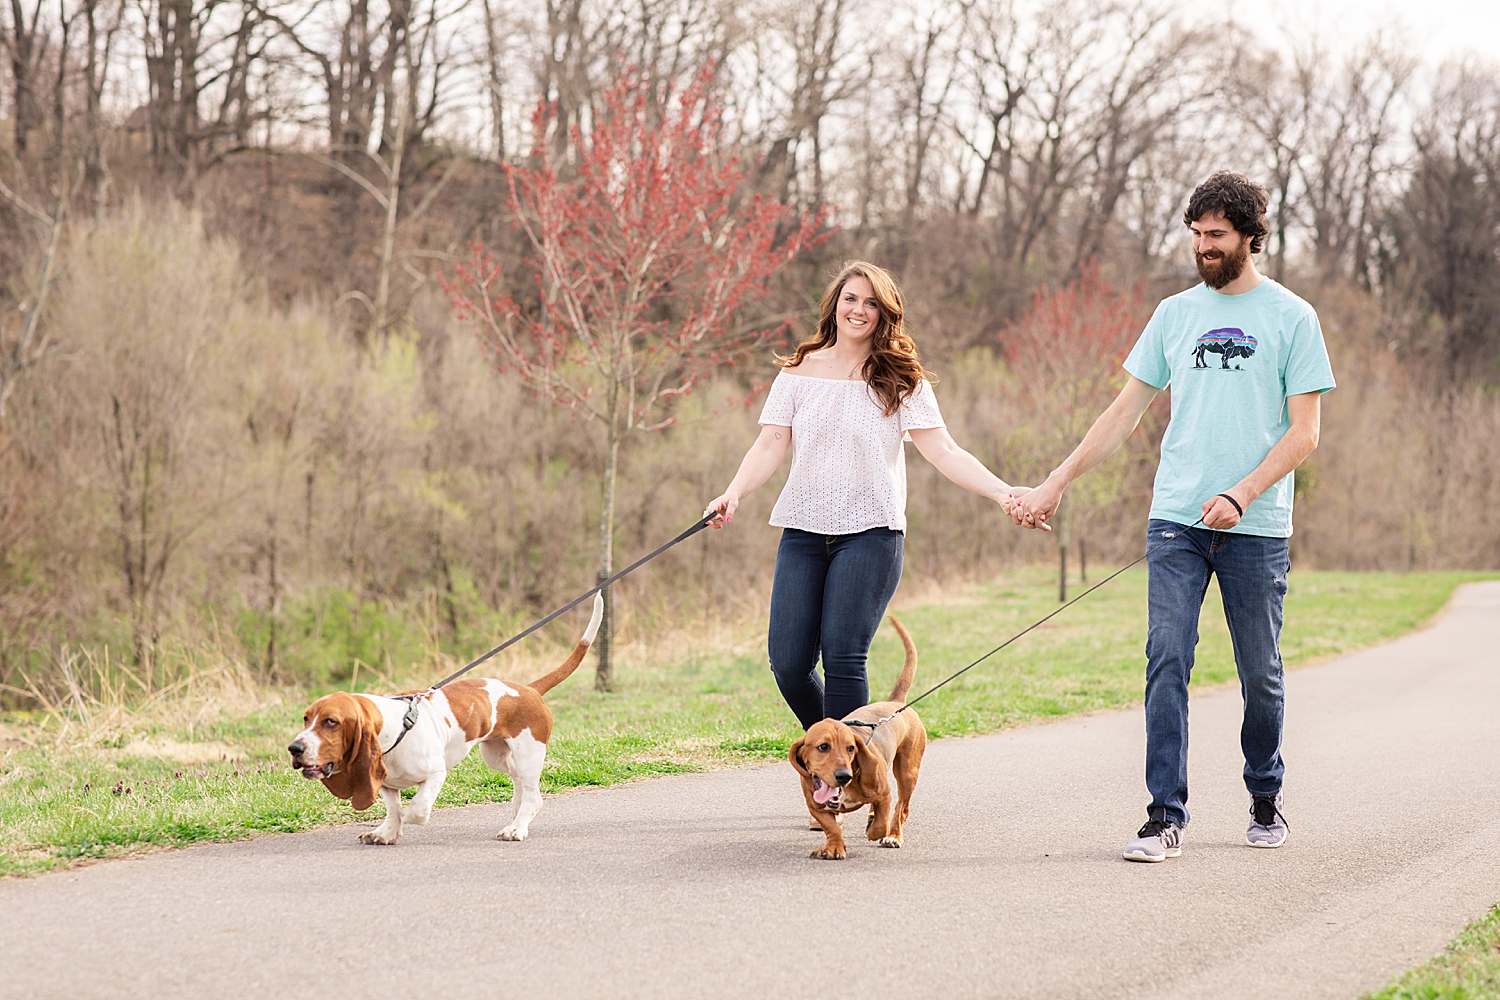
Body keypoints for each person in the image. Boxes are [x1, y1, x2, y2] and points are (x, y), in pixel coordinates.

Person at [1011, 171, 1335, 862]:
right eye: (1195, 234)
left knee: (1260, 672)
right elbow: (1122, 414)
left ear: (1251, 235)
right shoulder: (1174, 314)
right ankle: (1164, 817)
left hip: (1255, 526)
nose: (1203, 247)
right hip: (1177, 521)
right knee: (1166, 658)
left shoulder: (1292, 317)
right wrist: (1056, 482)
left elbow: (1305, 432)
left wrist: (1243, 492)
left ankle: (1265, 794)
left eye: (1216, 235)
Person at [705, 261, 1025, 729]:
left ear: (885, 314)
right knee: (789, 664)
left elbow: (944, 451)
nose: (859, 310)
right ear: (834, 303)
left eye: (871, 303)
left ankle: (841, 782)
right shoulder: (797, 373)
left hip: (872, 534)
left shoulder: (900, 377)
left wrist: (1003, 492)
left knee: (843, 659)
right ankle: (846, 751)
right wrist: (732, 493)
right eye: (851, 298)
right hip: (804, 530)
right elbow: (770, 443)